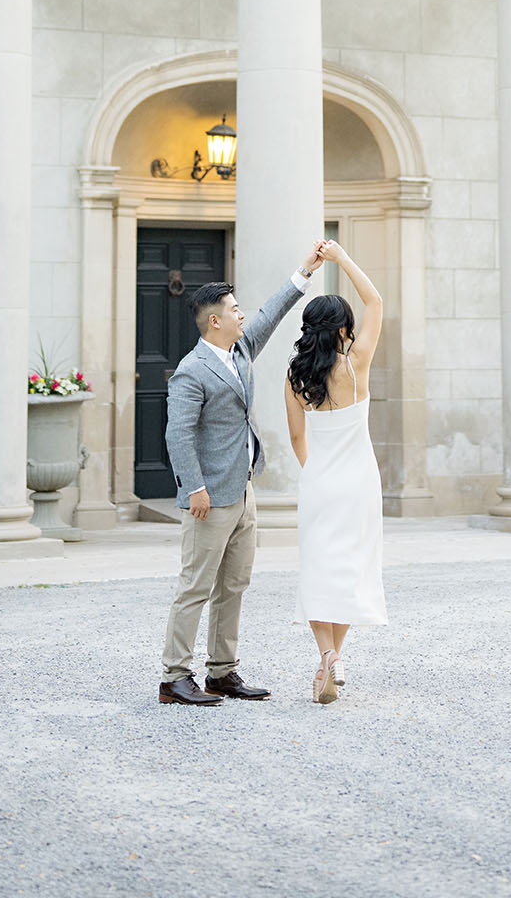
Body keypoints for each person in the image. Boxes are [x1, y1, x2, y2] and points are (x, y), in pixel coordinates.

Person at [159, 250, 324, 706]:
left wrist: (303, 273)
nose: (242, 314)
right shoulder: (192, 371)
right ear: (215, 321)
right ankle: (174, 677)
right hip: (208, 497)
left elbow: (271, 314)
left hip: (244, 490)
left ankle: (221, 672)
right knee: (195, 586)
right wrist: (193, 487)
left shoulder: (241, 349)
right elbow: (178, 433)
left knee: (234, 585)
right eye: (234, 309)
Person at [285, 238, 386, 704]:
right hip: (360, 481)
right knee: (349, 569)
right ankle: (335, 657)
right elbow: (376, 301)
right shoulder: (356, 362)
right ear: (345, 328)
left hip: (320, 481)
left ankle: (327, 656)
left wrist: (315, 472)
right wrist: (342, 258)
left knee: (318, 569)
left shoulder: (294, 375)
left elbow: (297, 439)